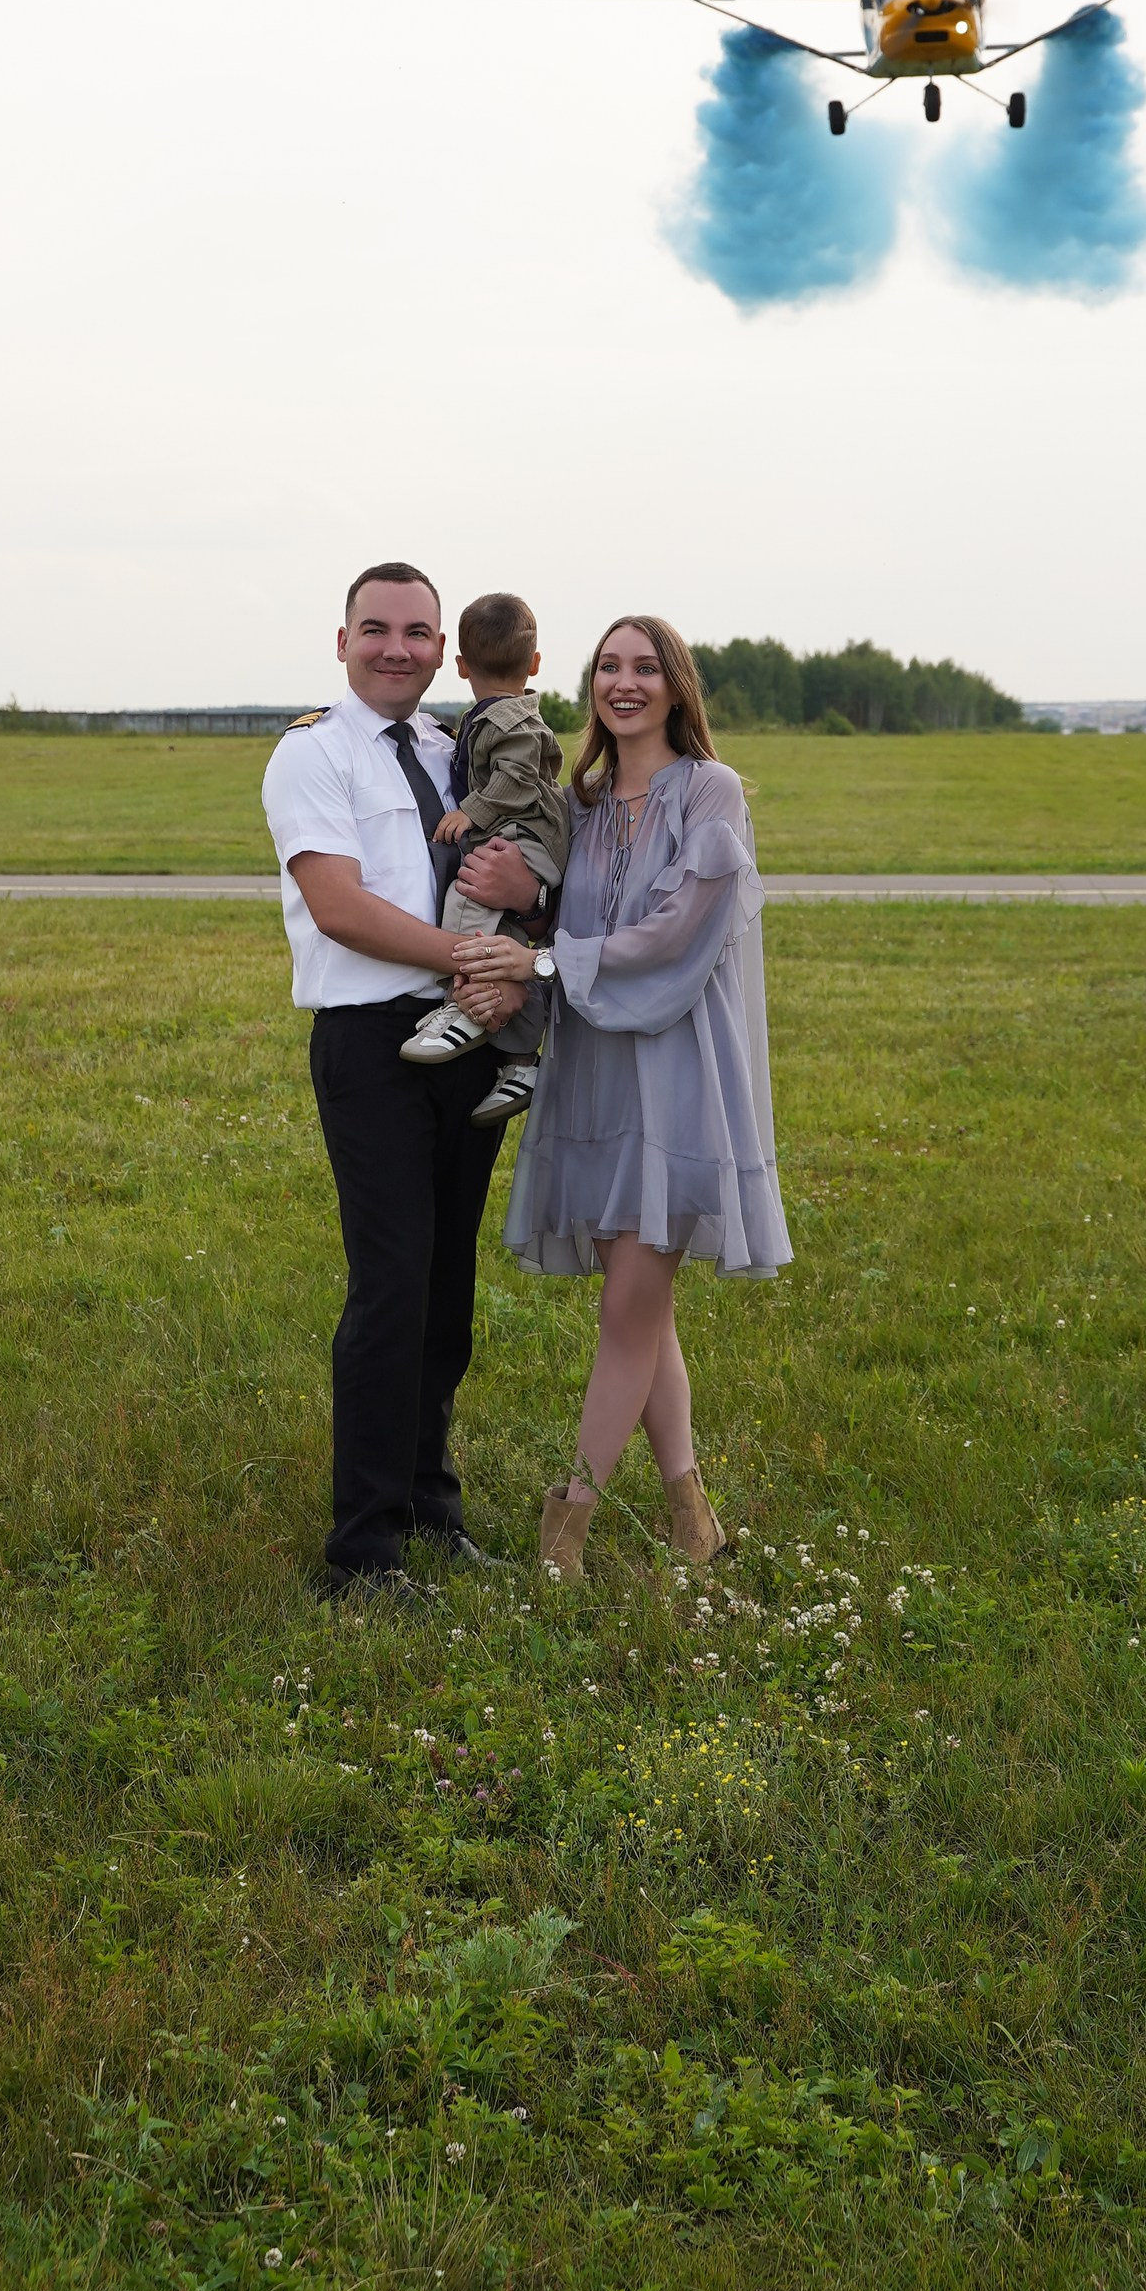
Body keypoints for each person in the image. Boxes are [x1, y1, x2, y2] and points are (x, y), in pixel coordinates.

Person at [488, 613, 789, 1582]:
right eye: (608, 667)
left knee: (629, 1307)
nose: (624, 683)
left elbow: (672, 935)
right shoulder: (574, 803)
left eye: (644, 667)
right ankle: (690, 1517)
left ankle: (564, 1528)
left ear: (676, 685)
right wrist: (514, 889)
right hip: (591, 1074)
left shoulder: (710, 793)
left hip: (672, 1072)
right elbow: (549, 904)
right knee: (640, 1309)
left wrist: (539, 954)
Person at [260, 561, 541, 1599]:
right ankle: (363, 1548)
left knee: (445, 1289)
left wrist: (523, 933)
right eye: (376, 628)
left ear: (445, 652)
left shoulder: (458, 750)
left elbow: (522, 863)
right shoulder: (311, 754)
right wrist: (470, 962)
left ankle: (431, 1505)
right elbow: (337, 905)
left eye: (419, 632)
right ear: (342, 642)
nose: (398, 648)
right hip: (375, 1044)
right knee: (389, 1287)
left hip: (470, 1034)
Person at [399, 590, 573, 1126]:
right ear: (536, 662)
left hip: (527, 838)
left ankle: (467, 1006)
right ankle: (521, 1063)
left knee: (468, 897)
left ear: (460, 665)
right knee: (508, 939)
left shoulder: (509, 721)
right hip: (519, 838)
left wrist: (470, 812)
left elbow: (518, 777)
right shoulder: (491, 716)